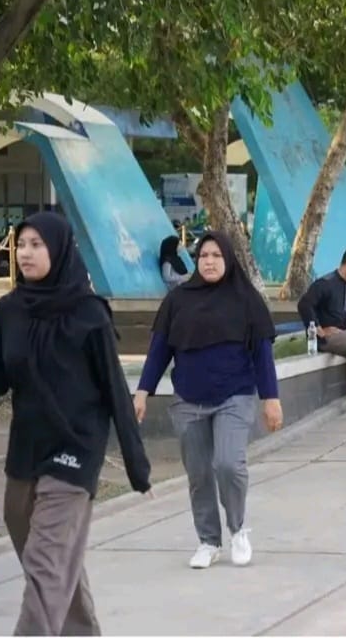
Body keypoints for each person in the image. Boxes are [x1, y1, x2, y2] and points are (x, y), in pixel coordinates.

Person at [0, 212, 151, 634]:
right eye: (21, 244)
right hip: (26, 451)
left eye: (37, 244)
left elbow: (115, 391)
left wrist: (137, 467)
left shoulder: (89, 314)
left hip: (76, 451)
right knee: (47, 556)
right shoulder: (9, 311)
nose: (25, 253)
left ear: (58, 249)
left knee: (46, 561)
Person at [136, 231, 283, 569]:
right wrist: (143, 391)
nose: (210, 261)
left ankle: (238, 529)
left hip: (234, 395)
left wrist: (271, 399)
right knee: (199, 473)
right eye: (203, 256)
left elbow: (262, 354)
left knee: (229, 463)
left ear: (228, 259)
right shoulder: (178, 300)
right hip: (188, 399)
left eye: (217, 255)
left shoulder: (246, 300)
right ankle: (208, 541)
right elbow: (159, 350)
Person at [297, 247, 346, 406]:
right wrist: (317, 328)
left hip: (343, 334)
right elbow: (305, 305)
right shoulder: (325, 283)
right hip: (326, 337)